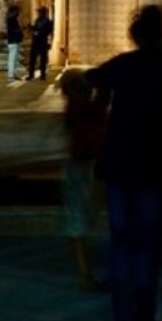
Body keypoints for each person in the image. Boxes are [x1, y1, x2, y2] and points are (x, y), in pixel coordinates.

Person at [90, 5, 162, 321]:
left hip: (120, 163)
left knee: (122, 246)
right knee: (148, 248)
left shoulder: (122, 65)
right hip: (156, 165)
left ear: (134, 35)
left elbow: (86, 82)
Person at [59, 68, 106, 291]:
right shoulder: (88, 109)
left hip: (83, 165)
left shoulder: (75, 110)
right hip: (87, 166)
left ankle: (85, 273)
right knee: (80, 220)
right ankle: (85, 274)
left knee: (79, 222)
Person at [29, 5, 54, 81]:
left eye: (40, 12)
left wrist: (49, 41)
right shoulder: (37, 20)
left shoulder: (47, 21)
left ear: (43, 13)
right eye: (38, 12)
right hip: (35, 41)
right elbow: (36, 29)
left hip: (42, 41)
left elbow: (49, 32)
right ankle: (31, 74)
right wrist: (31, 28)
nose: (38, 13)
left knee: (43, 59)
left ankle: (42, 75)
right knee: (32, 59)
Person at [5, 4, 23, 81]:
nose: (19, 13)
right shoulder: (12, 19)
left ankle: (13, 74)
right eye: (18, 11)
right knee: (12, 58)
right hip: (13, 41)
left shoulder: (10, 19)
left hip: (13, 40)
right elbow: (14, 30)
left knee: (14, 58)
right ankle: (11, 74)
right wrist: (20, 29)